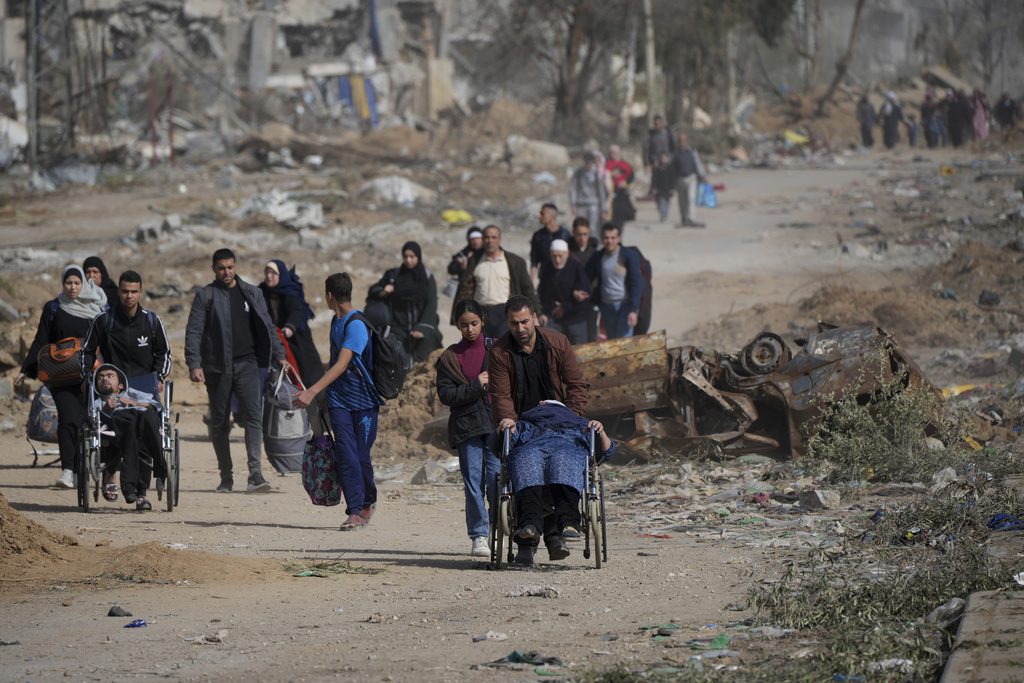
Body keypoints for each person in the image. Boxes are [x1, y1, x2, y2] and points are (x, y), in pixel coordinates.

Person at [488, 295, 589, 565]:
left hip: (560, 424)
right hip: (525, 427)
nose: (520, 329)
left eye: (524, 321)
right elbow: (501, 394)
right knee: (526, 464)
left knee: (563, 461)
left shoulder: (558, 343)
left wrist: (572, 416)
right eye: (513, 323)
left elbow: (576, 384)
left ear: (535, 318)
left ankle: (560, 530)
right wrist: (508, 420)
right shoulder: (500, 352)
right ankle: (527, 537)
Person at [184, 248, 285, 494]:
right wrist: (194, 363)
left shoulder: (252, 292)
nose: (226, 272)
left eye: (230, 267)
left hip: (248, 364)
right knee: (220, 422)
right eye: (221, 268)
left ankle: (255, 473)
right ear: (214, 269)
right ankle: (226, 476)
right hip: (217, 368)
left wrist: (280, 355)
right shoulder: (205, 296)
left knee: (253, 416)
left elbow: (268, 325)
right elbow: (194, 331)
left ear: (235, 266)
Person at [295, 273, 380, 530]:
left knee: (361, 456)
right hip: (339, 402)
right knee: (345, 455)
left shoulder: (356, 325)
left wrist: (311, 391)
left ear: (330, 295)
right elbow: (334, 364)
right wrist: (323, 397)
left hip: (364, 402)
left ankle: (368, 502)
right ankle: (354, 510)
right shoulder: (336, 321)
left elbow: (342, 364)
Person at [17, 265, 106, 489]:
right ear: (62, 283)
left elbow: (106, 341)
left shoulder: (95, 308)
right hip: (62, 376)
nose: (73, 287)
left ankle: (89, 466)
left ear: (83, 284)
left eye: (77, 283)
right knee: (68, 420)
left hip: (89, 375)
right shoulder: (54, 307)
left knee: (90, 421)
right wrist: (26, 368)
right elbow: (41, 340)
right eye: (68, 283)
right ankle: (68, 471)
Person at [505, 401, 614, 563]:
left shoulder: (581, 425)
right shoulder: (524, 424)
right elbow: (502, 450)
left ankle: (569, 523)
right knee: (527, 461)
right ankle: (530, 524)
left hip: (566, 445)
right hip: (532, 447)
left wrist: (601, 431)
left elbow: (606, 452)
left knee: (561, 460)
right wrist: (505, 430)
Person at [435, 299, 499, 557]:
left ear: (482, 320)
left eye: (474, 323)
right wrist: (476, 385)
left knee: (496, 479)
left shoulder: (498, 350)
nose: (470, 329)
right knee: (474, 481)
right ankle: (479, 535)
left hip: (495, 424)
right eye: (464, 325)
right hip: (466, 427)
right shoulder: (449, 358)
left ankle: (500, 527)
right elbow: (447, 395)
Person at [82, 270, 171, 397]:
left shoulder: (152, 321)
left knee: (150, 417)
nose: (129, 296)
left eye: (134, 291)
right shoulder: (103, 320)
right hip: (112, 390)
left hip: (145, 389)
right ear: (118, 291)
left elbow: (164, 353)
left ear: (140, 292)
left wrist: (158, 377)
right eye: (125, 291)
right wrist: (87, 378)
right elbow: (87, 351)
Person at [92, 364, 162, 511]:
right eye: (100, 377)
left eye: (110, 376)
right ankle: (134, 489)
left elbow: (156, 406)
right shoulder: (98, 401)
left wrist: (135, 403)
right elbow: (92, 420)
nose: (104, 379)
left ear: (121, 384)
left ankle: (143, 489)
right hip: (116, 429)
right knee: (130, 426)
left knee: (147, 419)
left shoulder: (132, 393)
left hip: (141, 422)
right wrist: (106, 409)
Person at [455, 225, 538, 338]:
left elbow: (527, 289)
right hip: (480, 311)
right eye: (487, 237)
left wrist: (537, 311)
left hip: (504, 311)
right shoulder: (473, 261)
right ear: (483, 240)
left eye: (494, 237)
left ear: (499, 239)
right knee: (481, 348)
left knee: (503, 347)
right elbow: (459, 278)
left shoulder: (514, 262)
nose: (490, 241)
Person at [367, 241, 442, 363]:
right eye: (405, 257)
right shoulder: (394, 275)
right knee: (398, 359)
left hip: (422, 324)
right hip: (398, 327)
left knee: (426, 360)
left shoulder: (427, 277)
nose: (408, 260)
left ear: (418, 256)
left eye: (412, 257)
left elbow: (431, 304)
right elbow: (374, 289)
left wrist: (422, 328)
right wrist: (384, 291)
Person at [260, 259, 324, 390]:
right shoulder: (261, 291)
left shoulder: (290, 291)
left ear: (281, 275)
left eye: (273, 273)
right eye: (267, 272)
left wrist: (289, 327)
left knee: (307, 369)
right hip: (274, 337)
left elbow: (296, 310)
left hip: (295, 336)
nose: (269, 276)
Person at [585, 223, 644, 340]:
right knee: (612, 341)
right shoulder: (598, 257)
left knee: (624, 342)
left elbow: (636, 283)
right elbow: (586, 277)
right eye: (606, 238)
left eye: (613, 238)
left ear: (618, 238)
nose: (609, 241)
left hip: (625, 305)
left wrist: (633, 310)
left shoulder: (628, 256)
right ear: (602, 238)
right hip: (606, 306)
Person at [538, 239, 591, 345]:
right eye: (554, 256)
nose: (557, 260)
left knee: (579, 353)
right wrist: (544, 312)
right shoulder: (548, 267)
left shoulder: (576, 267)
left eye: (560, 256)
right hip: (554, 319)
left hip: (575, 319)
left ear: (566, 254)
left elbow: (585, 295)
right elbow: (543, 292)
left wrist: (565, 307)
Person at [568, 152, 609, 237]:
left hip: (593, 205)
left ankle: (593, 246)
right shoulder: (578, 173)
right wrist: (573, 204)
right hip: (581, 205)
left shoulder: (596, 173)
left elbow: (601, 191)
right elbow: (573, 189)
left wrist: (603, 207)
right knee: (581, 227)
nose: (589, 164)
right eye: (587, 162)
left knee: (593, 228)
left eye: (590, 162)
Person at [672, 132, 707, 228]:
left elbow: (697, 164)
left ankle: (692, 218)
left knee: (691, 199)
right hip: (680, 180)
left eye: (683, 141)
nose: (682, 143)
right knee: (682, 201)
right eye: (680, 141)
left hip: (691, 178)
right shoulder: (675, 154)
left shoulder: (692, 152)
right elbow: (672, 168)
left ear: (686, 141)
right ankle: (684, 218)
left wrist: (702, 175)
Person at [529, 204, 571, 281]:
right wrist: (531, 281)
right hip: (545, 278)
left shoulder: (565, 234)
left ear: (552, 216)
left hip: (564, 277)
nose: (540, 216)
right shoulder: (538, 236)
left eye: (542, 213)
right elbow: (534, 261)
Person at [606, 145, 635, 229]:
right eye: (612, 153)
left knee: (621, 216)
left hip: (622, 193)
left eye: (616, 153)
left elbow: (631, 175)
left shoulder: (624, 164)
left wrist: (625, 182)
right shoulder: (607, 164)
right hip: (610, 193)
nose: (614, 155)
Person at [651, 152, 675, 222]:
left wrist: (672, 188)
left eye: (664, 158)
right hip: (659, 188)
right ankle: (662, 213)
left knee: (665, 202)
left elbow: (672, 178)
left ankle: (664, 215)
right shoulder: (657, 168)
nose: (663, 160)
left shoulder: (670, 168)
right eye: (662, 158)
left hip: (667, 188)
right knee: (659, 203)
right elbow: (654, 178)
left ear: (667, 159)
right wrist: (654, 188)